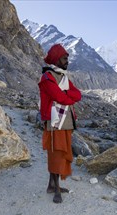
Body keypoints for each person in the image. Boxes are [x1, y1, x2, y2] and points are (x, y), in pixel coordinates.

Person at [38, 44, 82, 203]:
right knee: (55, 154)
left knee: (59, 154)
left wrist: (65, 93)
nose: (67, 62)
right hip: (55, 123)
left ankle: (51, 185)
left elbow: (78, 95)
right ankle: (56, 189)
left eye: (67, 59)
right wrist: (66, 95)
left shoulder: (63, 77)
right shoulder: (47, 77)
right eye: (64, 58)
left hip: (66, 123)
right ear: (57, 59)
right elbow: (60, 98)